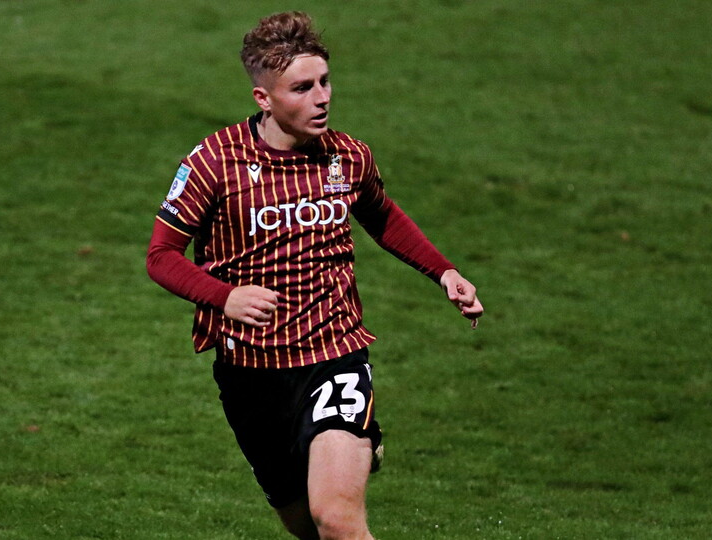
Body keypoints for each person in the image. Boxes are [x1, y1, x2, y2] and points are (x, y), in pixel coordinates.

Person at [146, 11, 483, 539]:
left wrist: (443, 271)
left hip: (333, 354)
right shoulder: (214, 162)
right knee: (307, 525)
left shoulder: (347, 157)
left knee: (338, 520)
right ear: (264, 99)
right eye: (302, 88)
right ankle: (348, 444)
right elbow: (161, 255)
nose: (321, 97)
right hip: (249, 371)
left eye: (325, 82)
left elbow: (381, 214)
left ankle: (350, 434)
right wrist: (224, 296)